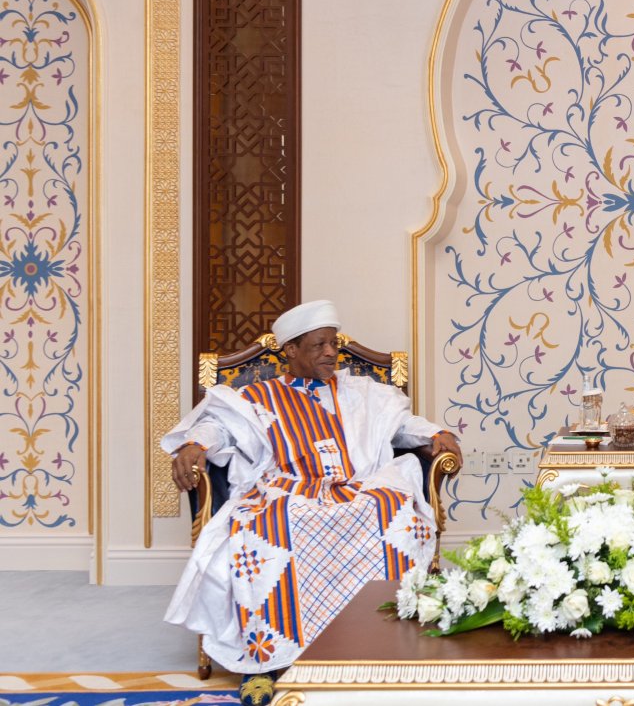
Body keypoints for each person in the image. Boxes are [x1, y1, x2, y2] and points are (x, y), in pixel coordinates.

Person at [163, 300, 462, 706]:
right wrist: (195, 445)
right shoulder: (257, 396)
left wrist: (437, 434)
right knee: (267, 529)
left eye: (333, 344)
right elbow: (218, 426)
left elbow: (402, 424)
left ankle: (383, 650)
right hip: (288, 492)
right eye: (319, 345)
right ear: (291, 350)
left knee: (393, 514)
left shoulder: (360, 392)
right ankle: (265, 662)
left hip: (355, 489)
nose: (331, 353)